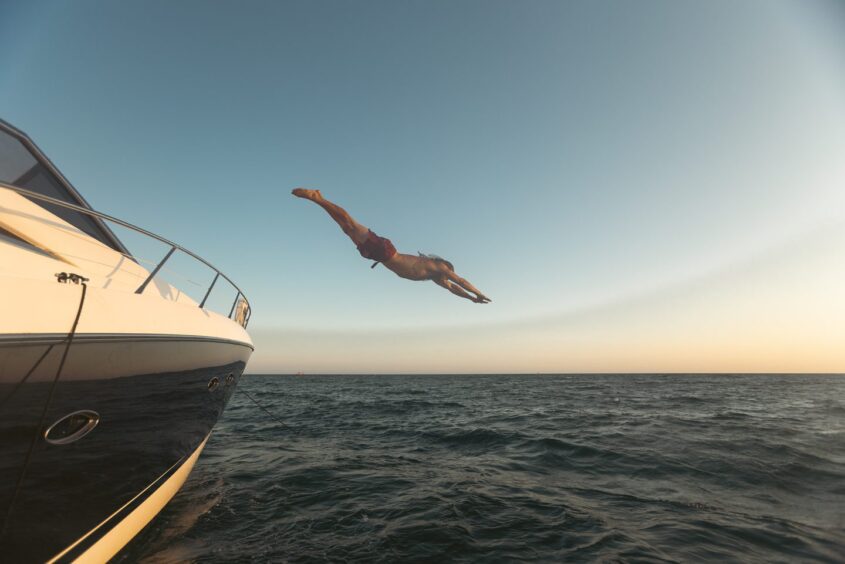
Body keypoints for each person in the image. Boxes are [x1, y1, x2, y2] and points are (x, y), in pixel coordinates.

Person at [292, 188, 491, 304]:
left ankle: (318, 200)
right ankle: (318, 198)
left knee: (346, 228)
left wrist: (472, 300)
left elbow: (454, 289)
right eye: (449, 274)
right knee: (350, 223)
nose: (448, 278)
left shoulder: (436, 278)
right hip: (386, 252)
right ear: (446, 266)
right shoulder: (440, 268)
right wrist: (479, 292)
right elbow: (461, 281)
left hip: (377, 256)